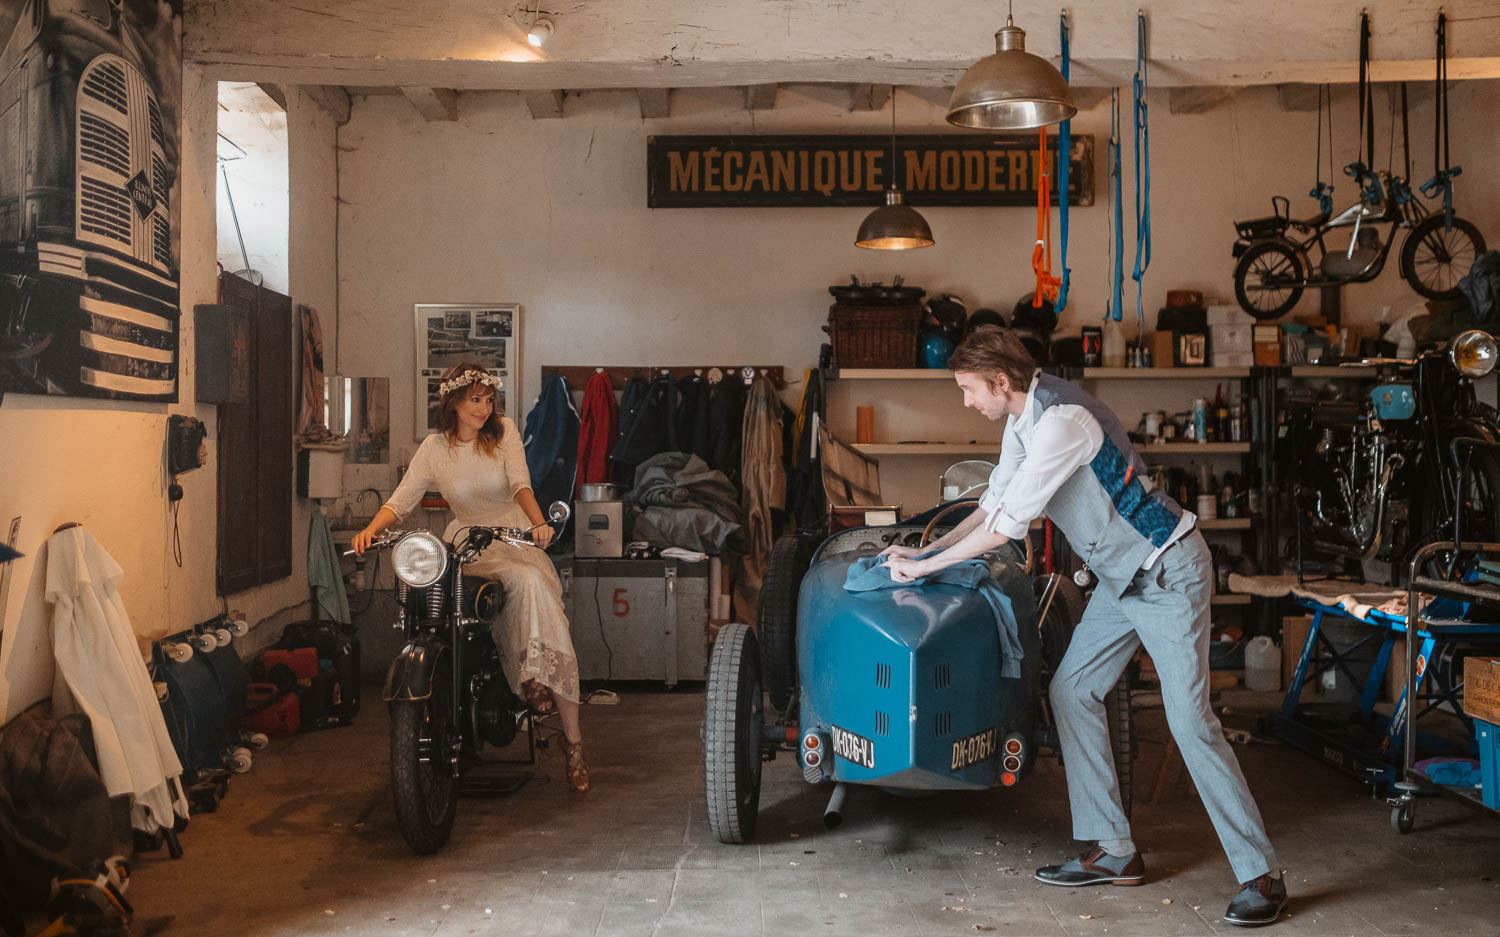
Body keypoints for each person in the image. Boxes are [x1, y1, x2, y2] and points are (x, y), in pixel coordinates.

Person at [882, 327, 1284, 927]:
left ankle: (1262, 876)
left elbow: (1007, 530)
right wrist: (924, 553)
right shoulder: (1022, 422)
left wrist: (926, 567)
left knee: (1190, 720)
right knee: (1071, 690)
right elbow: (992, 504)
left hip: (1166, 571)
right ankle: (1115, 853)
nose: (967, 402)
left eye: (968, 390)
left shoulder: (1061, 421)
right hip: (1123, 579)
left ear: (999, 380)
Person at [352, 362, 589, 792]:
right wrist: (372, 528)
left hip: (511, 535)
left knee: (529, 582)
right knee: (438, 602)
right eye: (474, 400)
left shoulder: (505, 433)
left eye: (488, 399)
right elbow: (403, 498)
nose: (484, 408)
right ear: (454, 403)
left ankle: (562, 722)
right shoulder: (434, 448)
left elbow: (520, 485)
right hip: (464, 541)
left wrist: (539, 525)